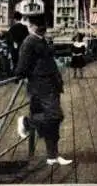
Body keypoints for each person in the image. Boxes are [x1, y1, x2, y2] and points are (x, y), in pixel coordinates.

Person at [15, 14, 72, 166]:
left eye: (44, 26)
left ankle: (52, 156)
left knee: (51, 121)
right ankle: (26, 122)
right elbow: (22, 65)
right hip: (41, 86)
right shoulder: (29, 42)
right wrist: (19, 75)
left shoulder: (40, 40)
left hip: (50, 85)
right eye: (39, 26)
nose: (43, 29)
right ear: (31, 26)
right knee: (55, 116)